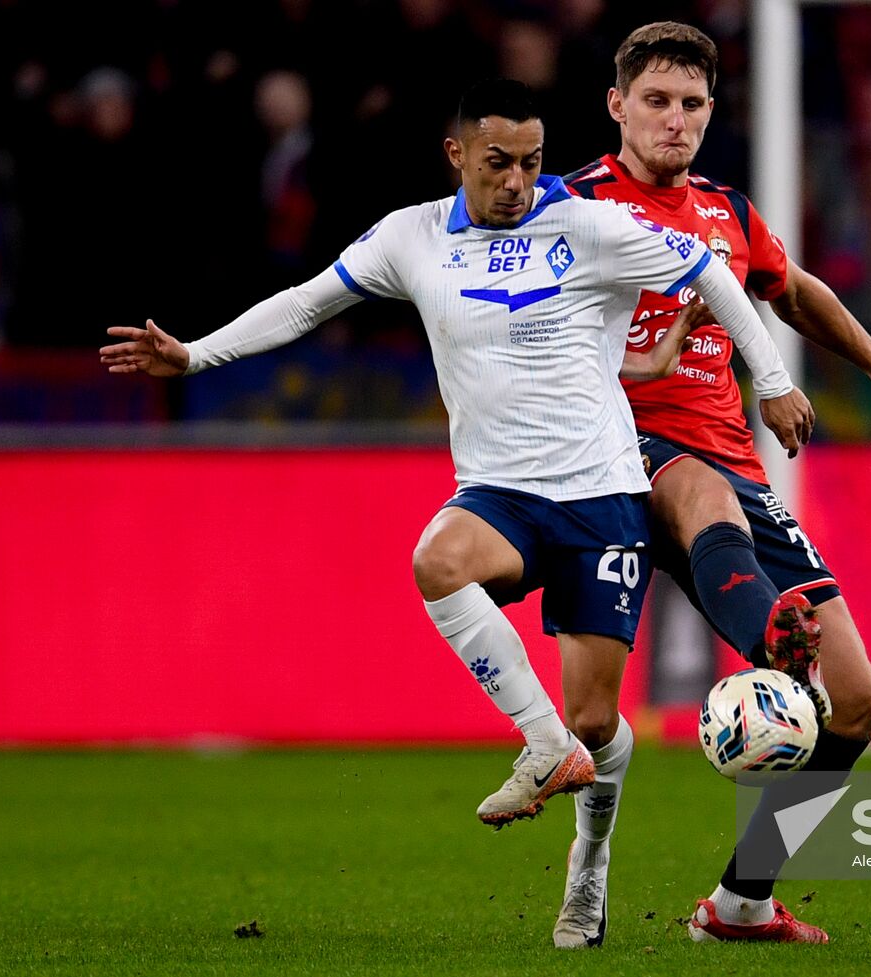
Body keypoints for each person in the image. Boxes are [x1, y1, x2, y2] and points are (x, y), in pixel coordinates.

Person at [99, 79, 811, 844]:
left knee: (598, 720)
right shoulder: (411, 238)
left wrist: (770, 381)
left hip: (604, 494)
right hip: (501, 493)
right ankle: (542, 745)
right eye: (497, 162)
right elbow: (307, 302)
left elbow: (707, 271)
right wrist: (196, 354)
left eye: (532, 163)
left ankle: (589, 865)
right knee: (436, 561)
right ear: (457, 154)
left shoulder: (593, 226)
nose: (516, 182)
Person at [558, 22, 871, 946]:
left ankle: (742, 899)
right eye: (655, 102)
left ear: (711, 112)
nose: (675, 121)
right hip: (619, 462)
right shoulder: (570, 207)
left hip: (736, 472)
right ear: (618, 105)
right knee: (690, 505)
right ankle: (769, 643)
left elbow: (796, 288)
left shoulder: (727, 213)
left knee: (857, 699)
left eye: (692, 104)